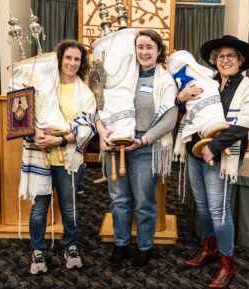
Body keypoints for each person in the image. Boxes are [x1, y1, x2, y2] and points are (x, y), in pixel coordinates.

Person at [176, 35, 249, 288]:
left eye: (230, 56)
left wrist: (213, 147)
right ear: (215, 61)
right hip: (195, 151)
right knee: (201, 205)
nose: (225, 60)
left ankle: (227, 264)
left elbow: (243, 125)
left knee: (219, 211)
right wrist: (181, 98)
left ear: (240, 60)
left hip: (223, 156)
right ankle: (209, 249)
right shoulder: (206, 82)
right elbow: (188, 111)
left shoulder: (247, 87)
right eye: (221, 56)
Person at [96, 30, 178, 267]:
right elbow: (98, 108)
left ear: (159, 51)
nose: (144, 52)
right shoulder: (120, 77)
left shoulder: (164, 80)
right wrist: (101, 131)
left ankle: (144, 247)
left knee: (143, 201)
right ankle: (120, 244)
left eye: (149, 47)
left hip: (145, 146)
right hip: (115, 143)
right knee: (119, 199)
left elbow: (170, 119)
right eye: (140, 47)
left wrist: (143, 140)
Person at [25, 39, 96, 274]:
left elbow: (87, 128)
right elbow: (25, 112)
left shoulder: (85, 93)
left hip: (69, 160)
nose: (72, 63)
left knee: (70, 207)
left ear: (81, 63)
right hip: (40, 156)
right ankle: (37, 251)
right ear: (60, 59)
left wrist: (60, 140)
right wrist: (35, 131)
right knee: (39, 209)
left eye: (77, 59)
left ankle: (71, 247)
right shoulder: (42, 86)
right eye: (68, 58)